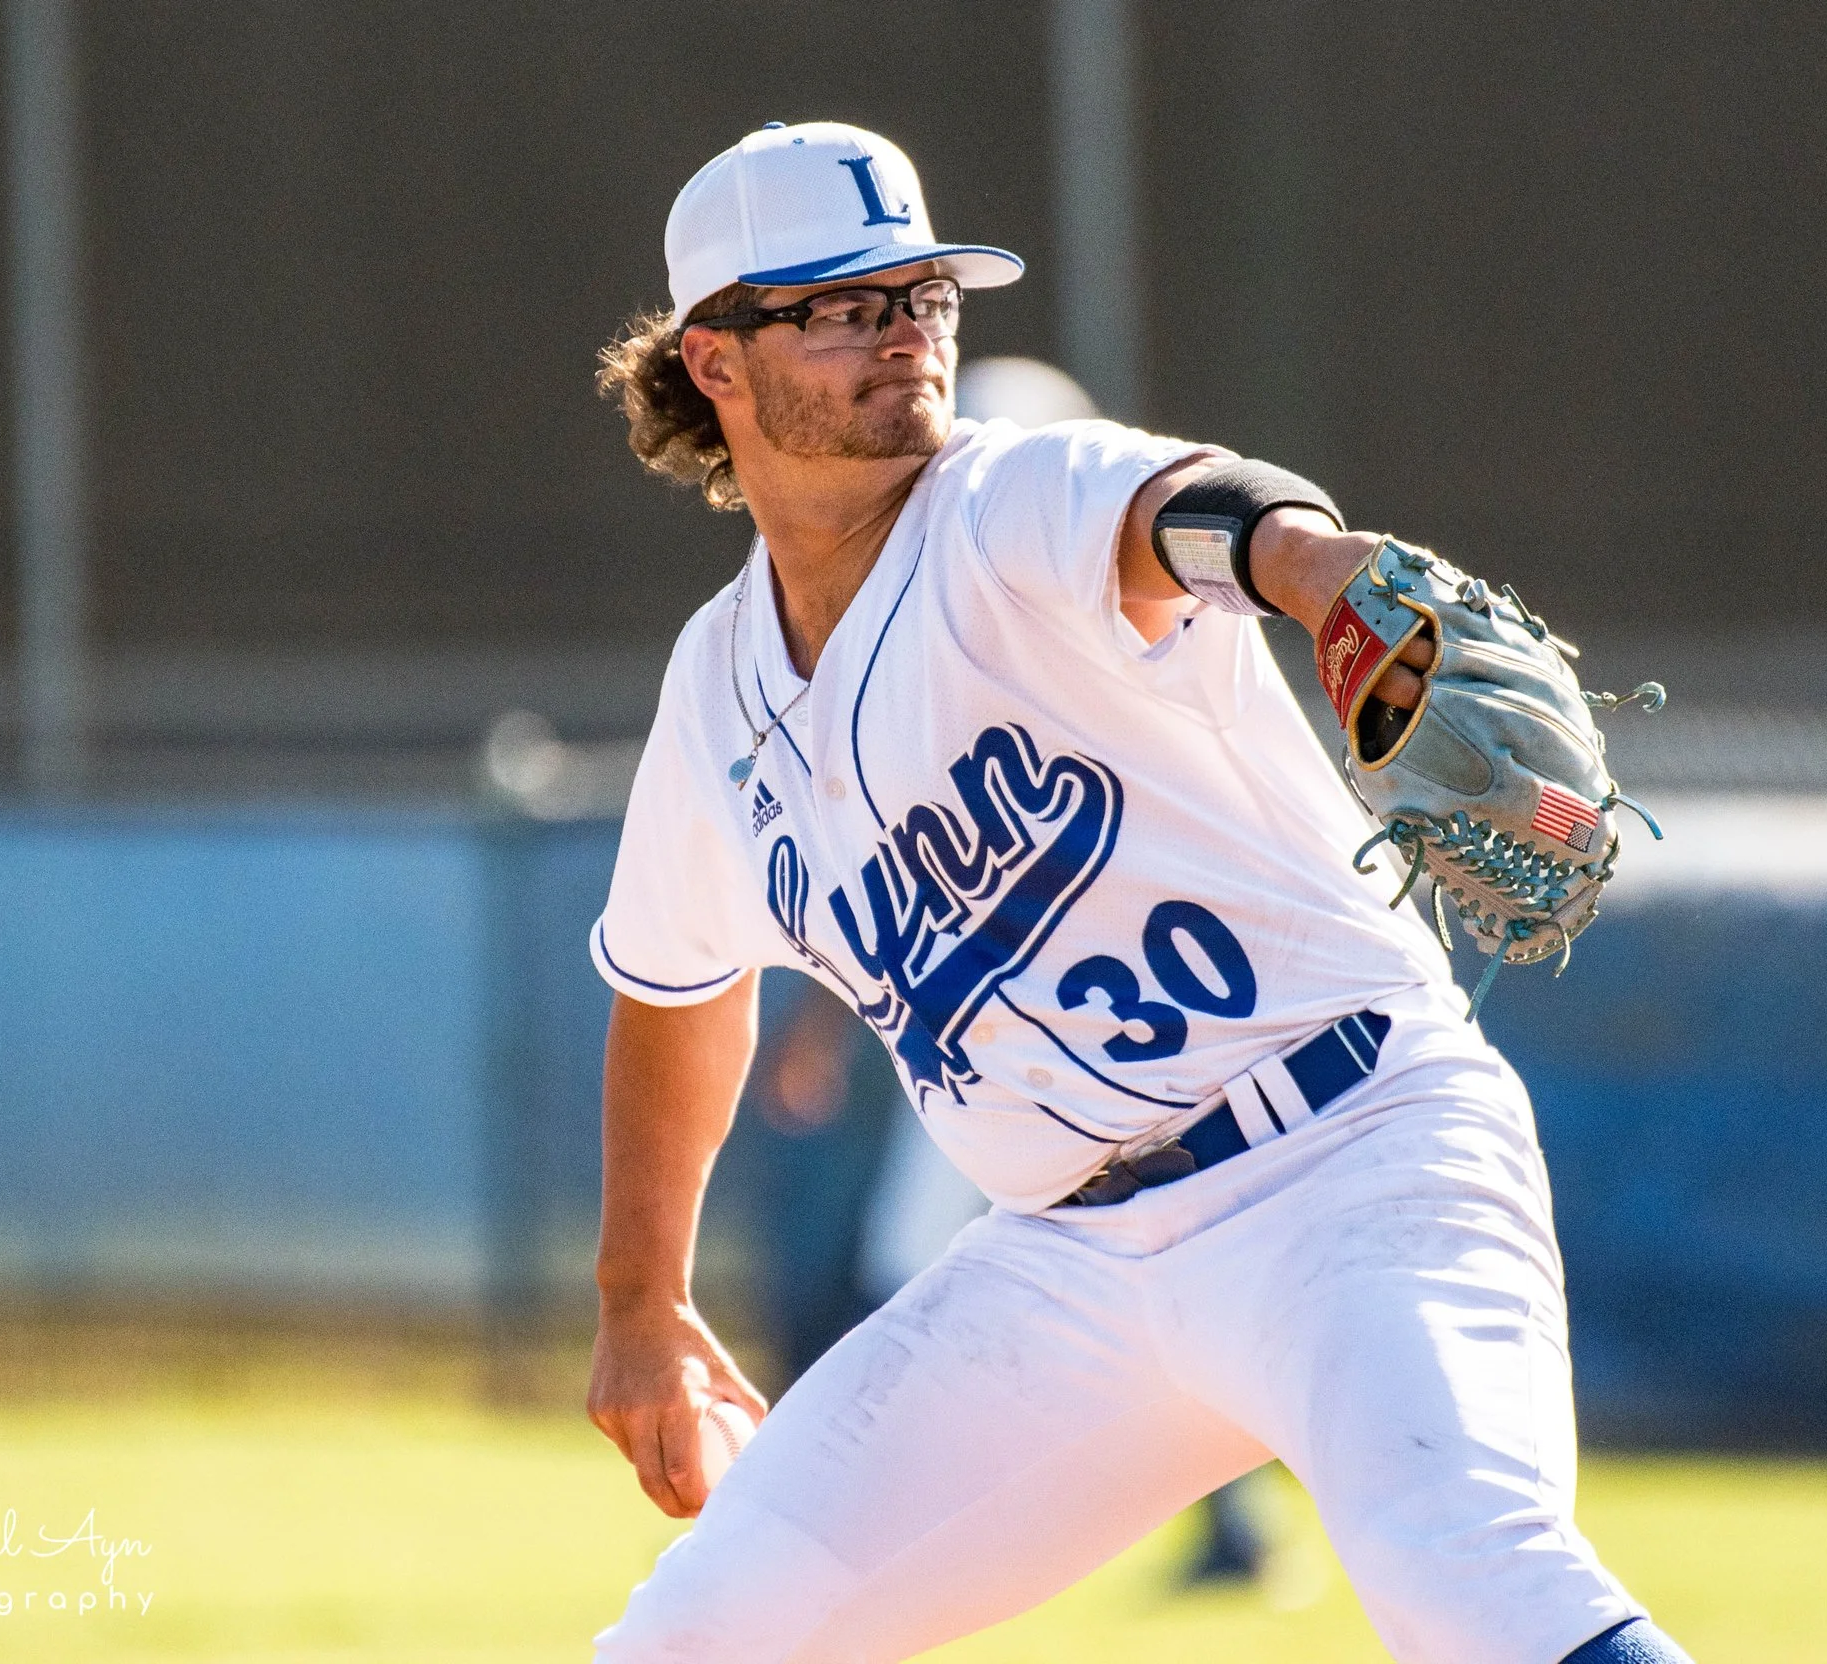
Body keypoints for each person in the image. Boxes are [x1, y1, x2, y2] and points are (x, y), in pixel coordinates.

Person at [582, 121, 1691, 1664]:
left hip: (1351, 1163)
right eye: (842, 308)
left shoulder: (1005, 503)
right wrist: (642, 1297)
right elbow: (675, 978)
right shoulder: (716, 688)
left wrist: (1317, 575)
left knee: (1472, 1581)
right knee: (692, 1642)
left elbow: (1190, 511)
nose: (904, 333)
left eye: (925, 295)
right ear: (715, 362)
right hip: (1069, 1267)